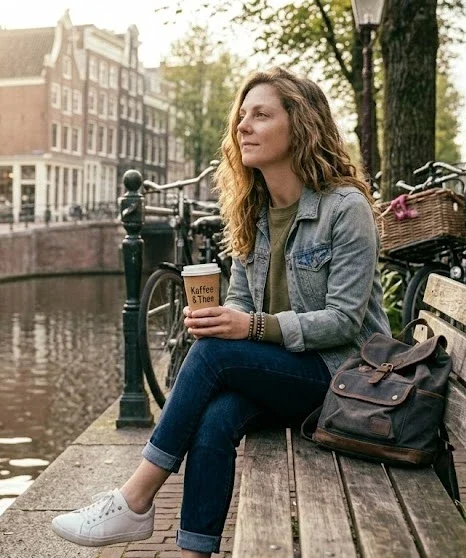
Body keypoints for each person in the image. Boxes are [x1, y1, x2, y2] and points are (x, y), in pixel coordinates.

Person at [50, 68, 391, 556]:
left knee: (213, 357)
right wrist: (223, 317)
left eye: (261, 115)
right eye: (242, 116)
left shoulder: (344, 207)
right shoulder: (254, 210)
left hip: (343, 378)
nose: (243, 126)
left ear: (300, 125)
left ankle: (136, 497)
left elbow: (344, 322)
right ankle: (193, 552)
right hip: (289, 376)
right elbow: (243, 301)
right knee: (214, 418)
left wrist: (246, 328)